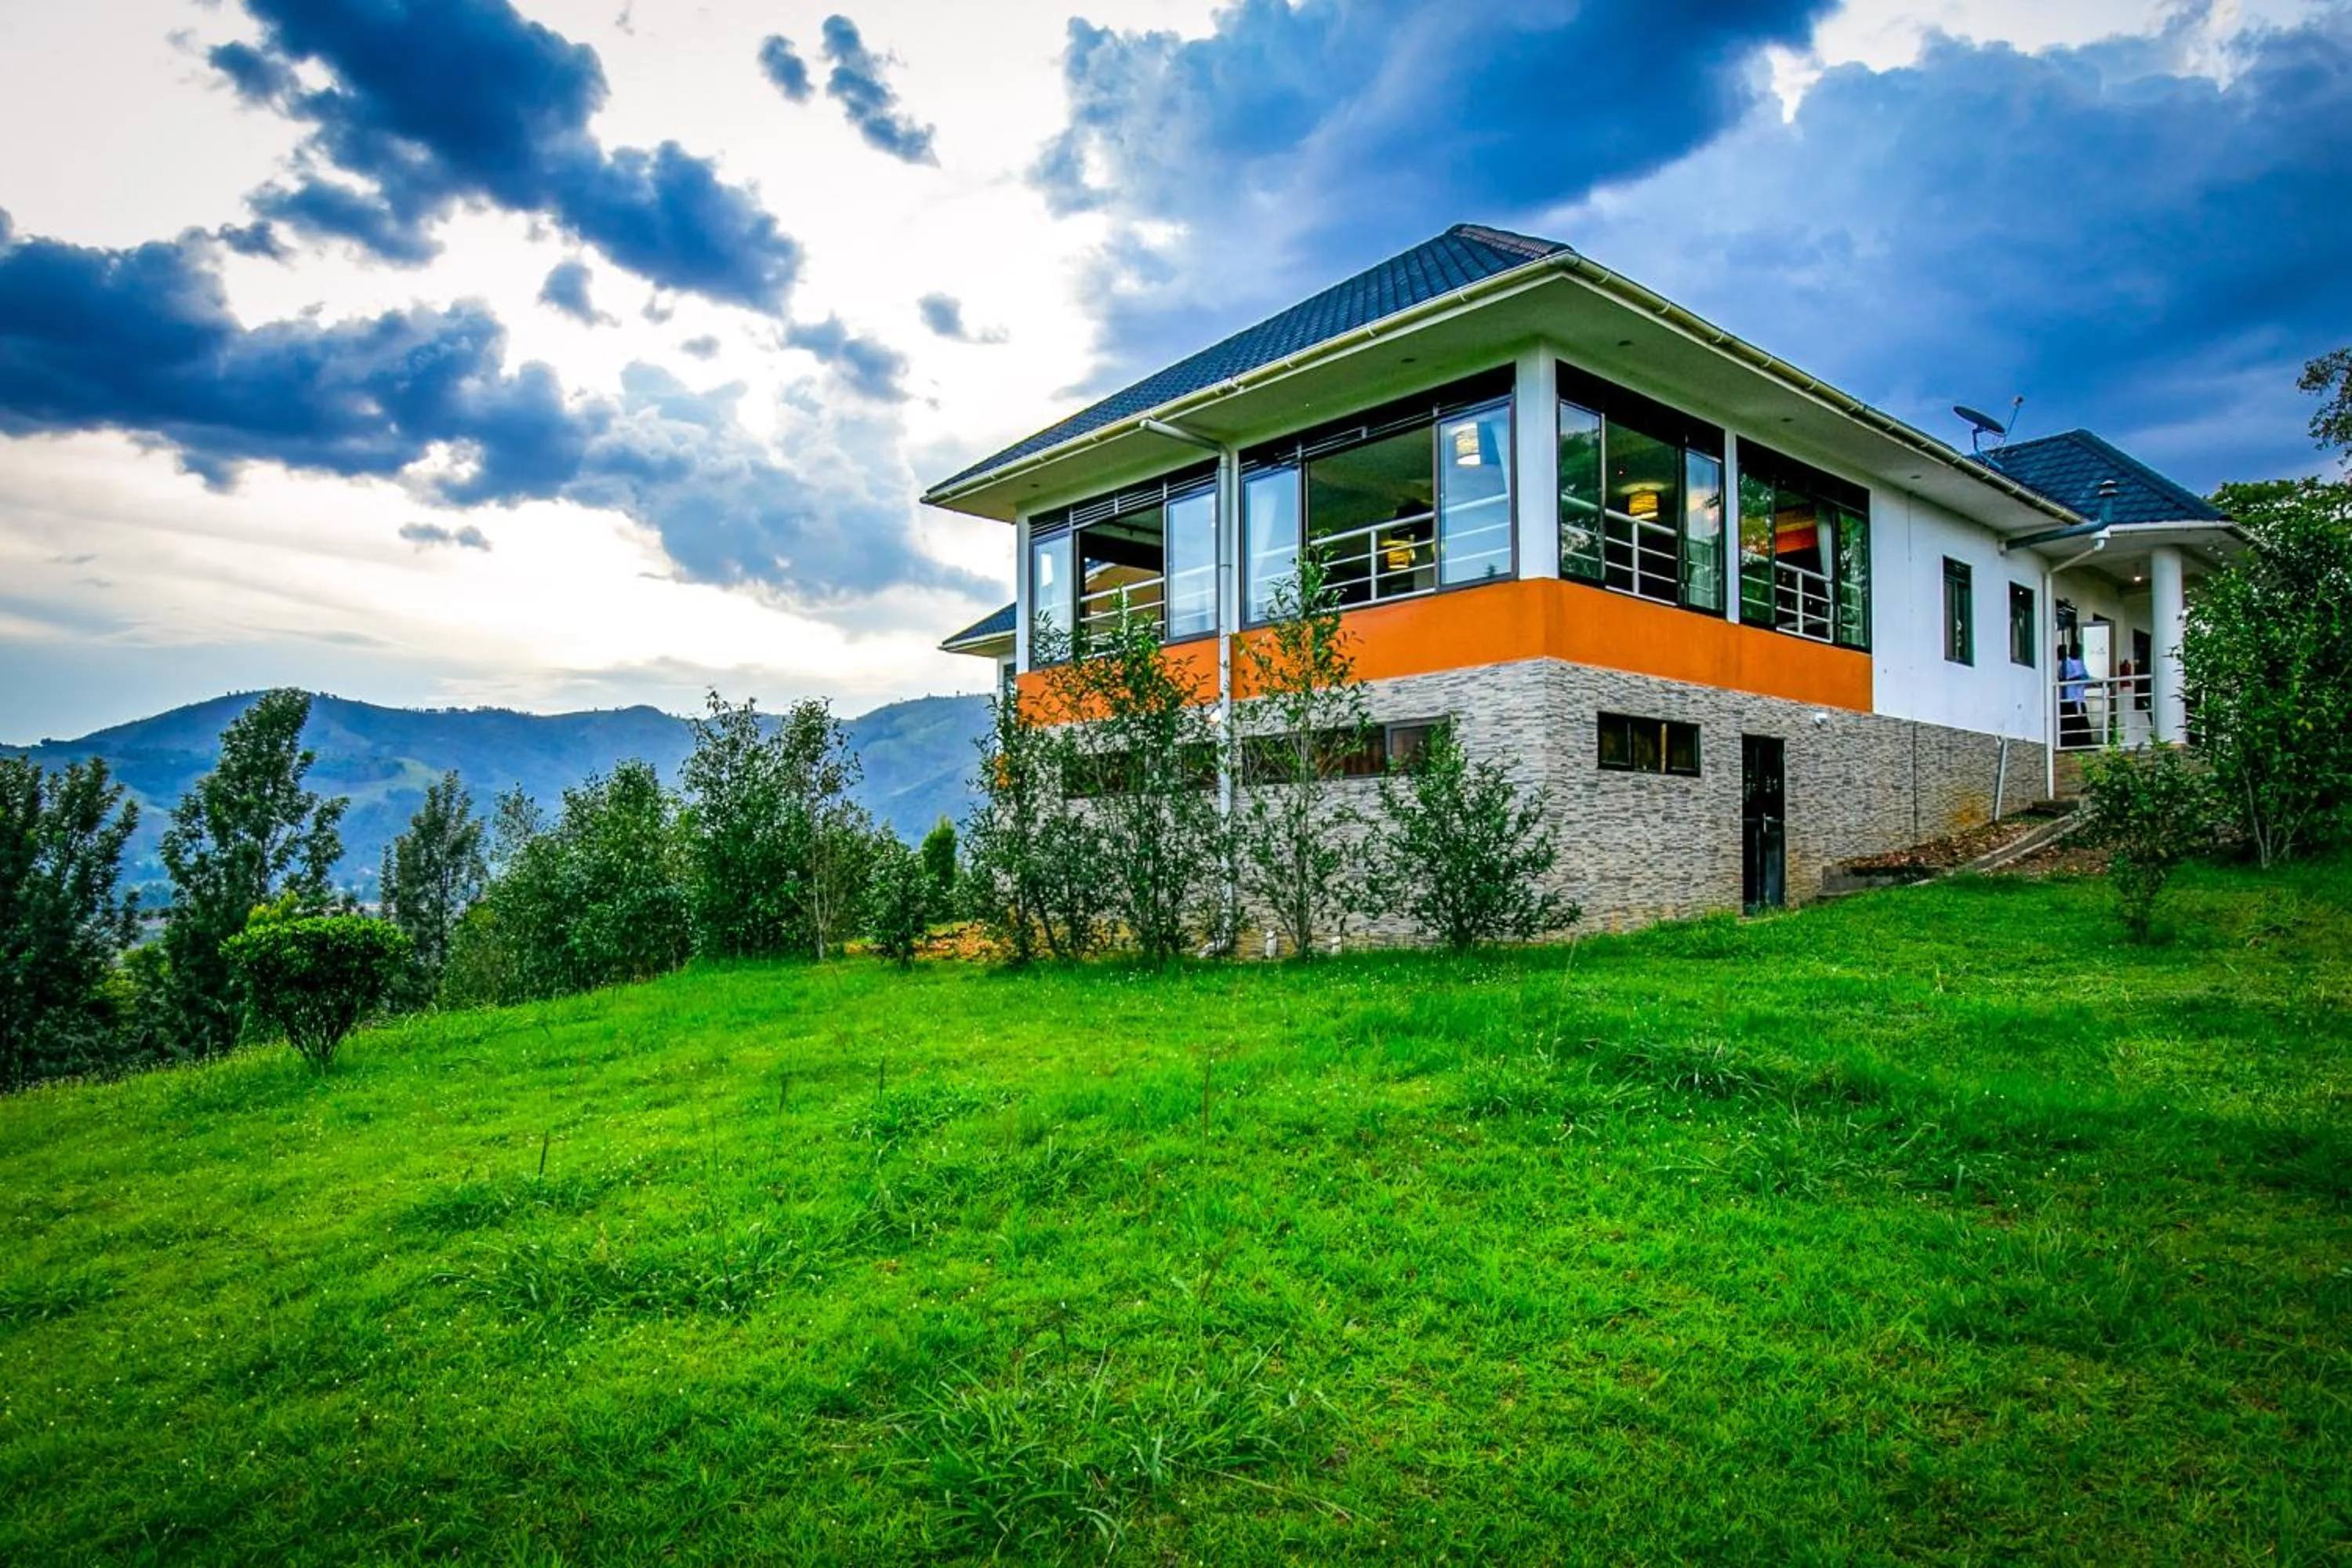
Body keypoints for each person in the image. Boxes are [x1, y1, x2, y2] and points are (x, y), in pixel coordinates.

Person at [2058, 644, 2091, 747]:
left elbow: (2085, 677)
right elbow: (2062, 677)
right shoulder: (2063, 663)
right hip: (2067, 698)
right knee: (2069, 722)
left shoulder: (2079, 663)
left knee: (2081, 722)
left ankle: (2084, 743)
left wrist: (2080, 678)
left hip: (2078, 698)